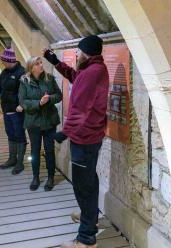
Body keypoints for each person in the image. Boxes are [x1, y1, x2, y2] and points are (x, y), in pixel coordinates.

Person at [43, 35, 109, 248]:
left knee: (83, 185)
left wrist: (64, 133)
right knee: (89, 179)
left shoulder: (93, 72)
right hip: (90, 136)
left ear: (86, 51)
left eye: (78, 51)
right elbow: (75, 76)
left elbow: (81, 108)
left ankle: (86, 239)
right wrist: (55, 62)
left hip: (85, 138)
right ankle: (89, 214)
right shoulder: (92, 69)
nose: (76, 55)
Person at [19, 56, 62, 191]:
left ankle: (50, 177)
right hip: (33, 122)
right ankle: (36, 177)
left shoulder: (49, 78)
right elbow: (23, 101)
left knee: (49, 150)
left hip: (49, 120)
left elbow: (59, 95)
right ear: (31, 68)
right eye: (37, 64)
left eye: (41, 62)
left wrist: (49, 99)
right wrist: (38, 103)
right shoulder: (24, 81)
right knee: (35, 151)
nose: (41, 65)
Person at [0, 47, 26, 175]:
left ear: (11, 61)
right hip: (6, 109)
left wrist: (21, 105)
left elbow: (25, 92)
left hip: (17, 111)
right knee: (10, 134)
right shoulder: (4, 72)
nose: (3, 64)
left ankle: (20, 162)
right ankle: (12, 159)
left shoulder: (22, 73)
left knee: (19, 135)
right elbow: (0, 87)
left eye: (4, 62)